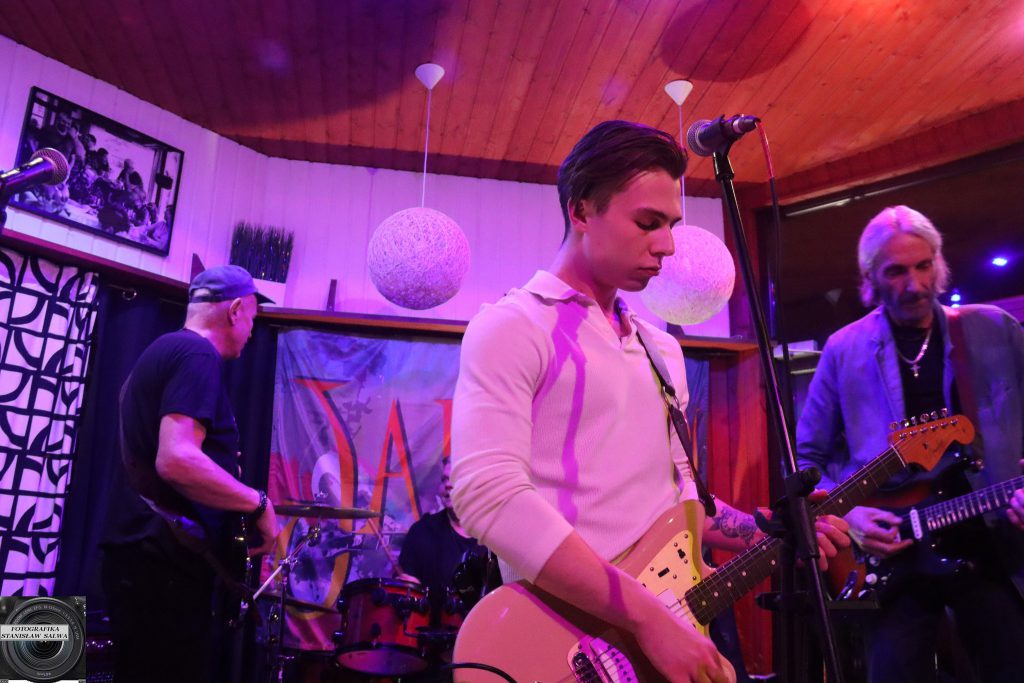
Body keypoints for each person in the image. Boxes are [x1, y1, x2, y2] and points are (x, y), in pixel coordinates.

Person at [451, 120, 850, 683]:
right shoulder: (514, 326)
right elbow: (486, 494)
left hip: (667, 627)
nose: (667, 245)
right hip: (575, 646)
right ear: (581, 210)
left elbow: (681, 499)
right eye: (648, 223)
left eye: (671, 225)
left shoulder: (661, 350)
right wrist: (647, 619)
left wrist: (769, 531)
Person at [796, 205, 1024, 683]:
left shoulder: (994, 329)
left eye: (923, 266)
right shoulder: (844, 349)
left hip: (991, 542)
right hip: (891, 555)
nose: (915, 284)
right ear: (870, 278)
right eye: (896, 272)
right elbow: (807, 462)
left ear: (938, 263)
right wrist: (849, 516)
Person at [101, 265, 278, 683]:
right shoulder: (198, 356)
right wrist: (258, 504)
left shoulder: (166, 349)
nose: (252, 331)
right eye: (253, 318)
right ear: (235, 310)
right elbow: (176, 459)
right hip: (162, 567)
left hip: (141, 558)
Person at [397, 457, 501, 622]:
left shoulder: (495, 537)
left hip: (483, 630)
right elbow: (406, 588)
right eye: (445, 479)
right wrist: (410, 588)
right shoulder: (422, 531)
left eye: (455, 478)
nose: (448, 485)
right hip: (429, 632)